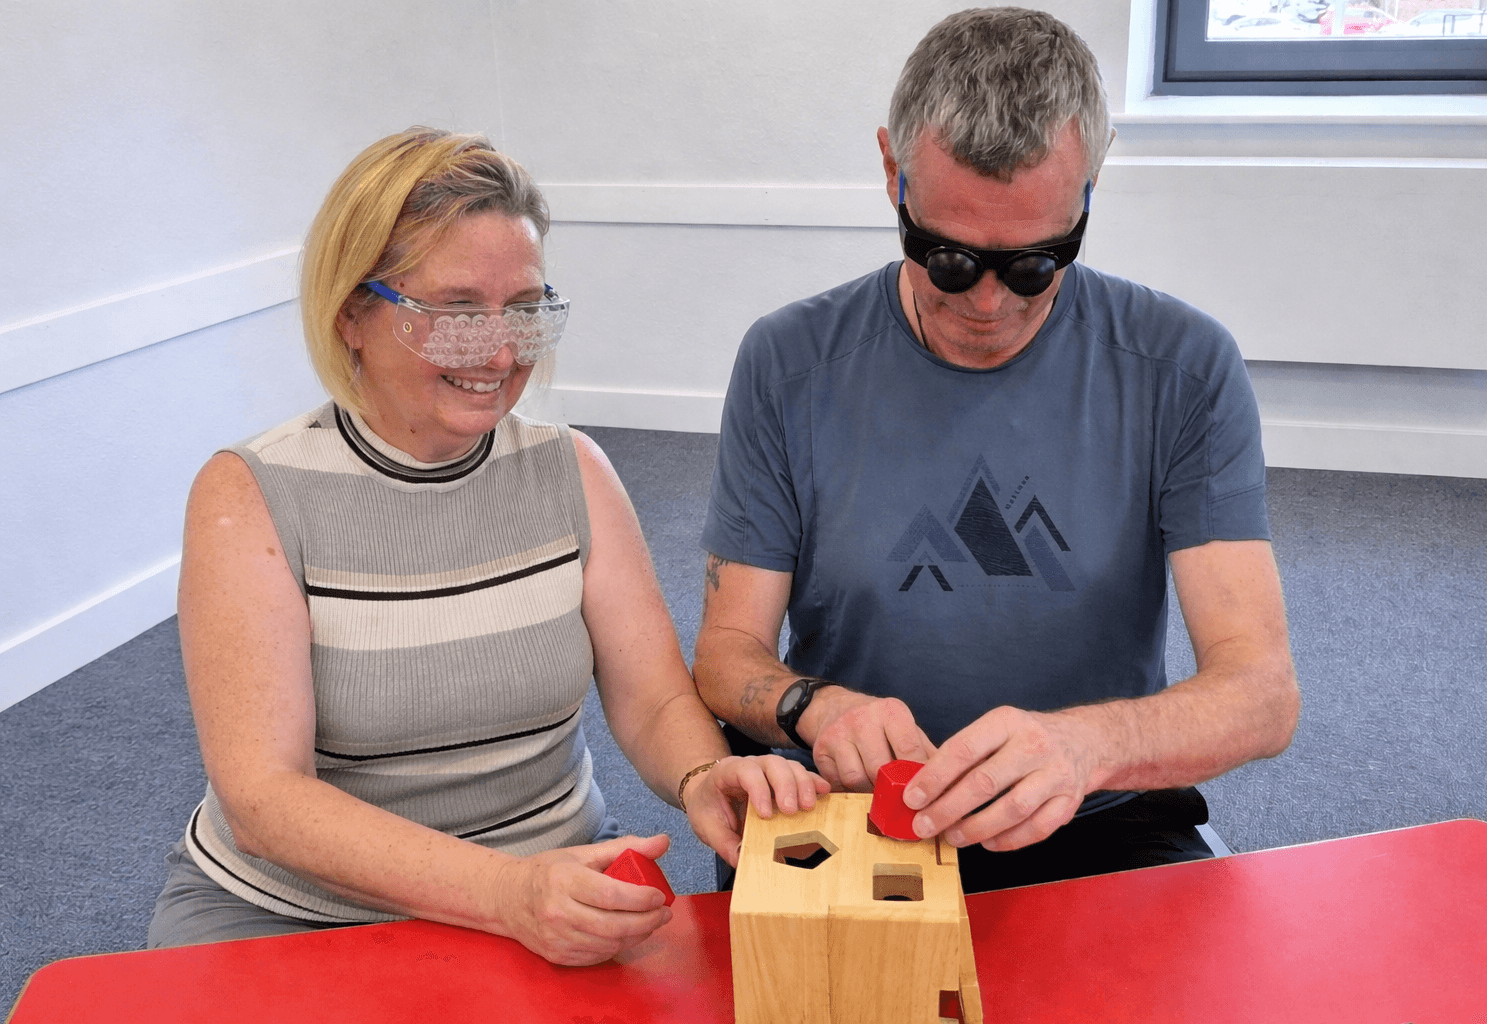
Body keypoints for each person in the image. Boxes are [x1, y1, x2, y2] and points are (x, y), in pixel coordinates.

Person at [149, 126, 827, 964]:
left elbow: (653, 700)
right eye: (458, 313)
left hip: (556, 894)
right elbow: (263, 799)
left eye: (527, 311)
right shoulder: (251, 494)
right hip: (302, 914)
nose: (503, 353)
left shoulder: (572, 470)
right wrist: (504, 895)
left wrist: (699, 775)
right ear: (353, 314)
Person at [695, 8, 1300, 893]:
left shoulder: (1181, 368)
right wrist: (813, 707)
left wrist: (1090, 745)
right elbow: (724, 655)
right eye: (945, 259)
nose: (987, 303)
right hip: (857, 806)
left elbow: (1261, 693)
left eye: (1033, 264)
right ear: (892, 174)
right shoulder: (789, 363)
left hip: (1094, 806)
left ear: (1091, 186)